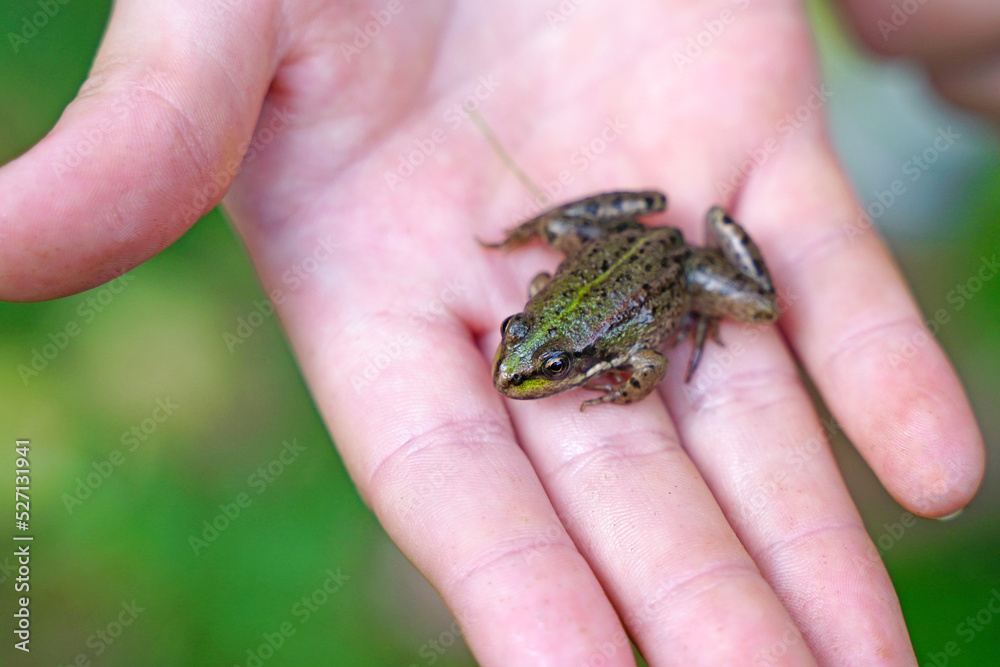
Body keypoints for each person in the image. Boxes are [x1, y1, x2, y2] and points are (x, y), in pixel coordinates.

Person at [0, 1, 993, 664]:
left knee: (764, 307)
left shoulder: (607, 349)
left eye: (539, 363)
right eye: (526, 350)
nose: (517, 366)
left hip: (674, 264)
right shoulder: (542, 336)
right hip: (624, 245)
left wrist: (612, 377)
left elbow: (641, 356)